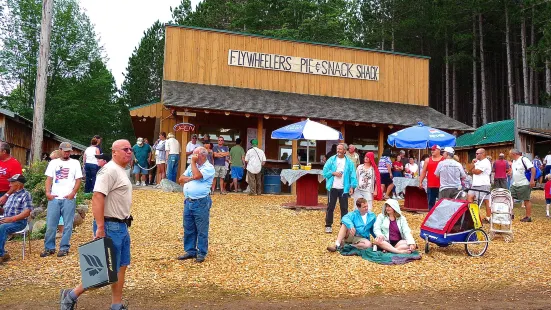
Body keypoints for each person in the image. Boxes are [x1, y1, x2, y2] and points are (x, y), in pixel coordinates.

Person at [59, 139, 134, 310]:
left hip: (121, 225)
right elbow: (97, 197)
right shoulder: (108, 171)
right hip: (109, 225)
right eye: (125, 149)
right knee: (101, 270)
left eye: (130, 149)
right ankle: (70, 296)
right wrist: (100, 227)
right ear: (114, 152)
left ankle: (116, 305)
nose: (129, 151)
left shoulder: (121, 170)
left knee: (121, 267)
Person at [41, 142, 82, 258]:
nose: (67, 153)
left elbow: (78, 180)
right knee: (50, 224)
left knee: (68, 225)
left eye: (69, 151)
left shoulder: (75, 163)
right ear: (60, 150)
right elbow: (49, 178)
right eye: (65, 150)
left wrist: (73, 193)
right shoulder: (53, 163)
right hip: (54, 197)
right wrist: (48, 193)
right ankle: (49, 247)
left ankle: (64, 247)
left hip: (68, 198)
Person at [177, 147, 215, 263]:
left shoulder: (209, 168)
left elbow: (198, 176)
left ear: (202, 155)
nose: (193, 157)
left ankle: (201, 252)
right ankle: (190, 250)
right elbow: (181, 179)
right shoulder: (193, 166)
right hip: (188, 201)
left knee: (201, 228)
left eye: (195, 155)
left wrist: (193, 164)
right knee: (188, 227)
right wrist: (191, 177)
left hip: (201, 201)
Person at [322, 143, 357, 233]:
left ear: (345, 151)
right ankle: (328, 225)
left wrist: (352, 187)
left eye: (340, 149)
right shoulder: (332, 159)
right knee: (330, 207)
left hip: (344, 188)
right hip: (333, 187)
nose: (338, 151)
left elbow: (352, 175)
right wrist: (334, 173)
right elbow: (325, 171)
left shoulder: (349, 162)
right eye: (338, 149)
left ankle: (344, 226)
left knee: (344, 208)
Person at [0, 174, 32, 264]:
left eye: (11, 183)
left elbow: (27, 212)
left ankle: (0, 255)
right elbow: (4, 212)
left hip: (19, 222)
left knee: (3, 228)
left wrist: (11, 219)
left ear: (18, 184)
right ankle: (4, 253)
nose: (9, 185)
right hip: (6, 220)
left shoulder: (26, 195)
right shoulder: (11, 195)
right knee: (3, 225)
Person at [509, 149, 536, 222]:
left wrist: (532, 180)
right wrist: (511, 173)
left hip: (524, 183)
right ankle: (511, 214)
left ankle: (528, 217)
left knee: (526, 200)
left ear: (514, 154)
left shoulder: (524, 159)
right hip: (515, 183)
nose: (509, 156)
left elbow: (533, 169)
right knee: (510, 197)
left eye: (510, 154)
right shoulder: (514, 161)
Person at [468, 148, 492, 223]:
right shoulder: (477, 161)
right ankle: (473, 215)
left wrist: (472, 170)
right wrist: (472, 164)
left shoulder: (485, 162)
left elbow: (477, 172)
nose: (476, 155)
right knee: (469, 197)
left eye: (478, 153)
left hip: (483, 184)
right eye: (476, 153)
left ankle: (488, 217)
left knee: (485, 201)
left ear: (483, 154)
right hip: (475, 184)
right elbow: (469, 170)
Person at [418, 145, 444, 210]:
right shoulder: (427, 160)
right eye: (431, 150)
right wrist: (420, 182)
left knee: (442, 203)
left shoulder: (444, 159)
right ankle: (430, 216)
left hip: (442, 185)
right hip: (431, 184)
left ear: (439, 150)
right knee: (430, 202)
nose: (432, 151)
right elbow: (424, 171)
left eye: (434, 150)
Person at [0, 142, 23, 210]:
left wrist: (6, 196)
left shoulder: (14, 164)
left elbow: (17, 183)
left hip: (5, 193)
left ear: (4, 151)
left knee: (3, 216)